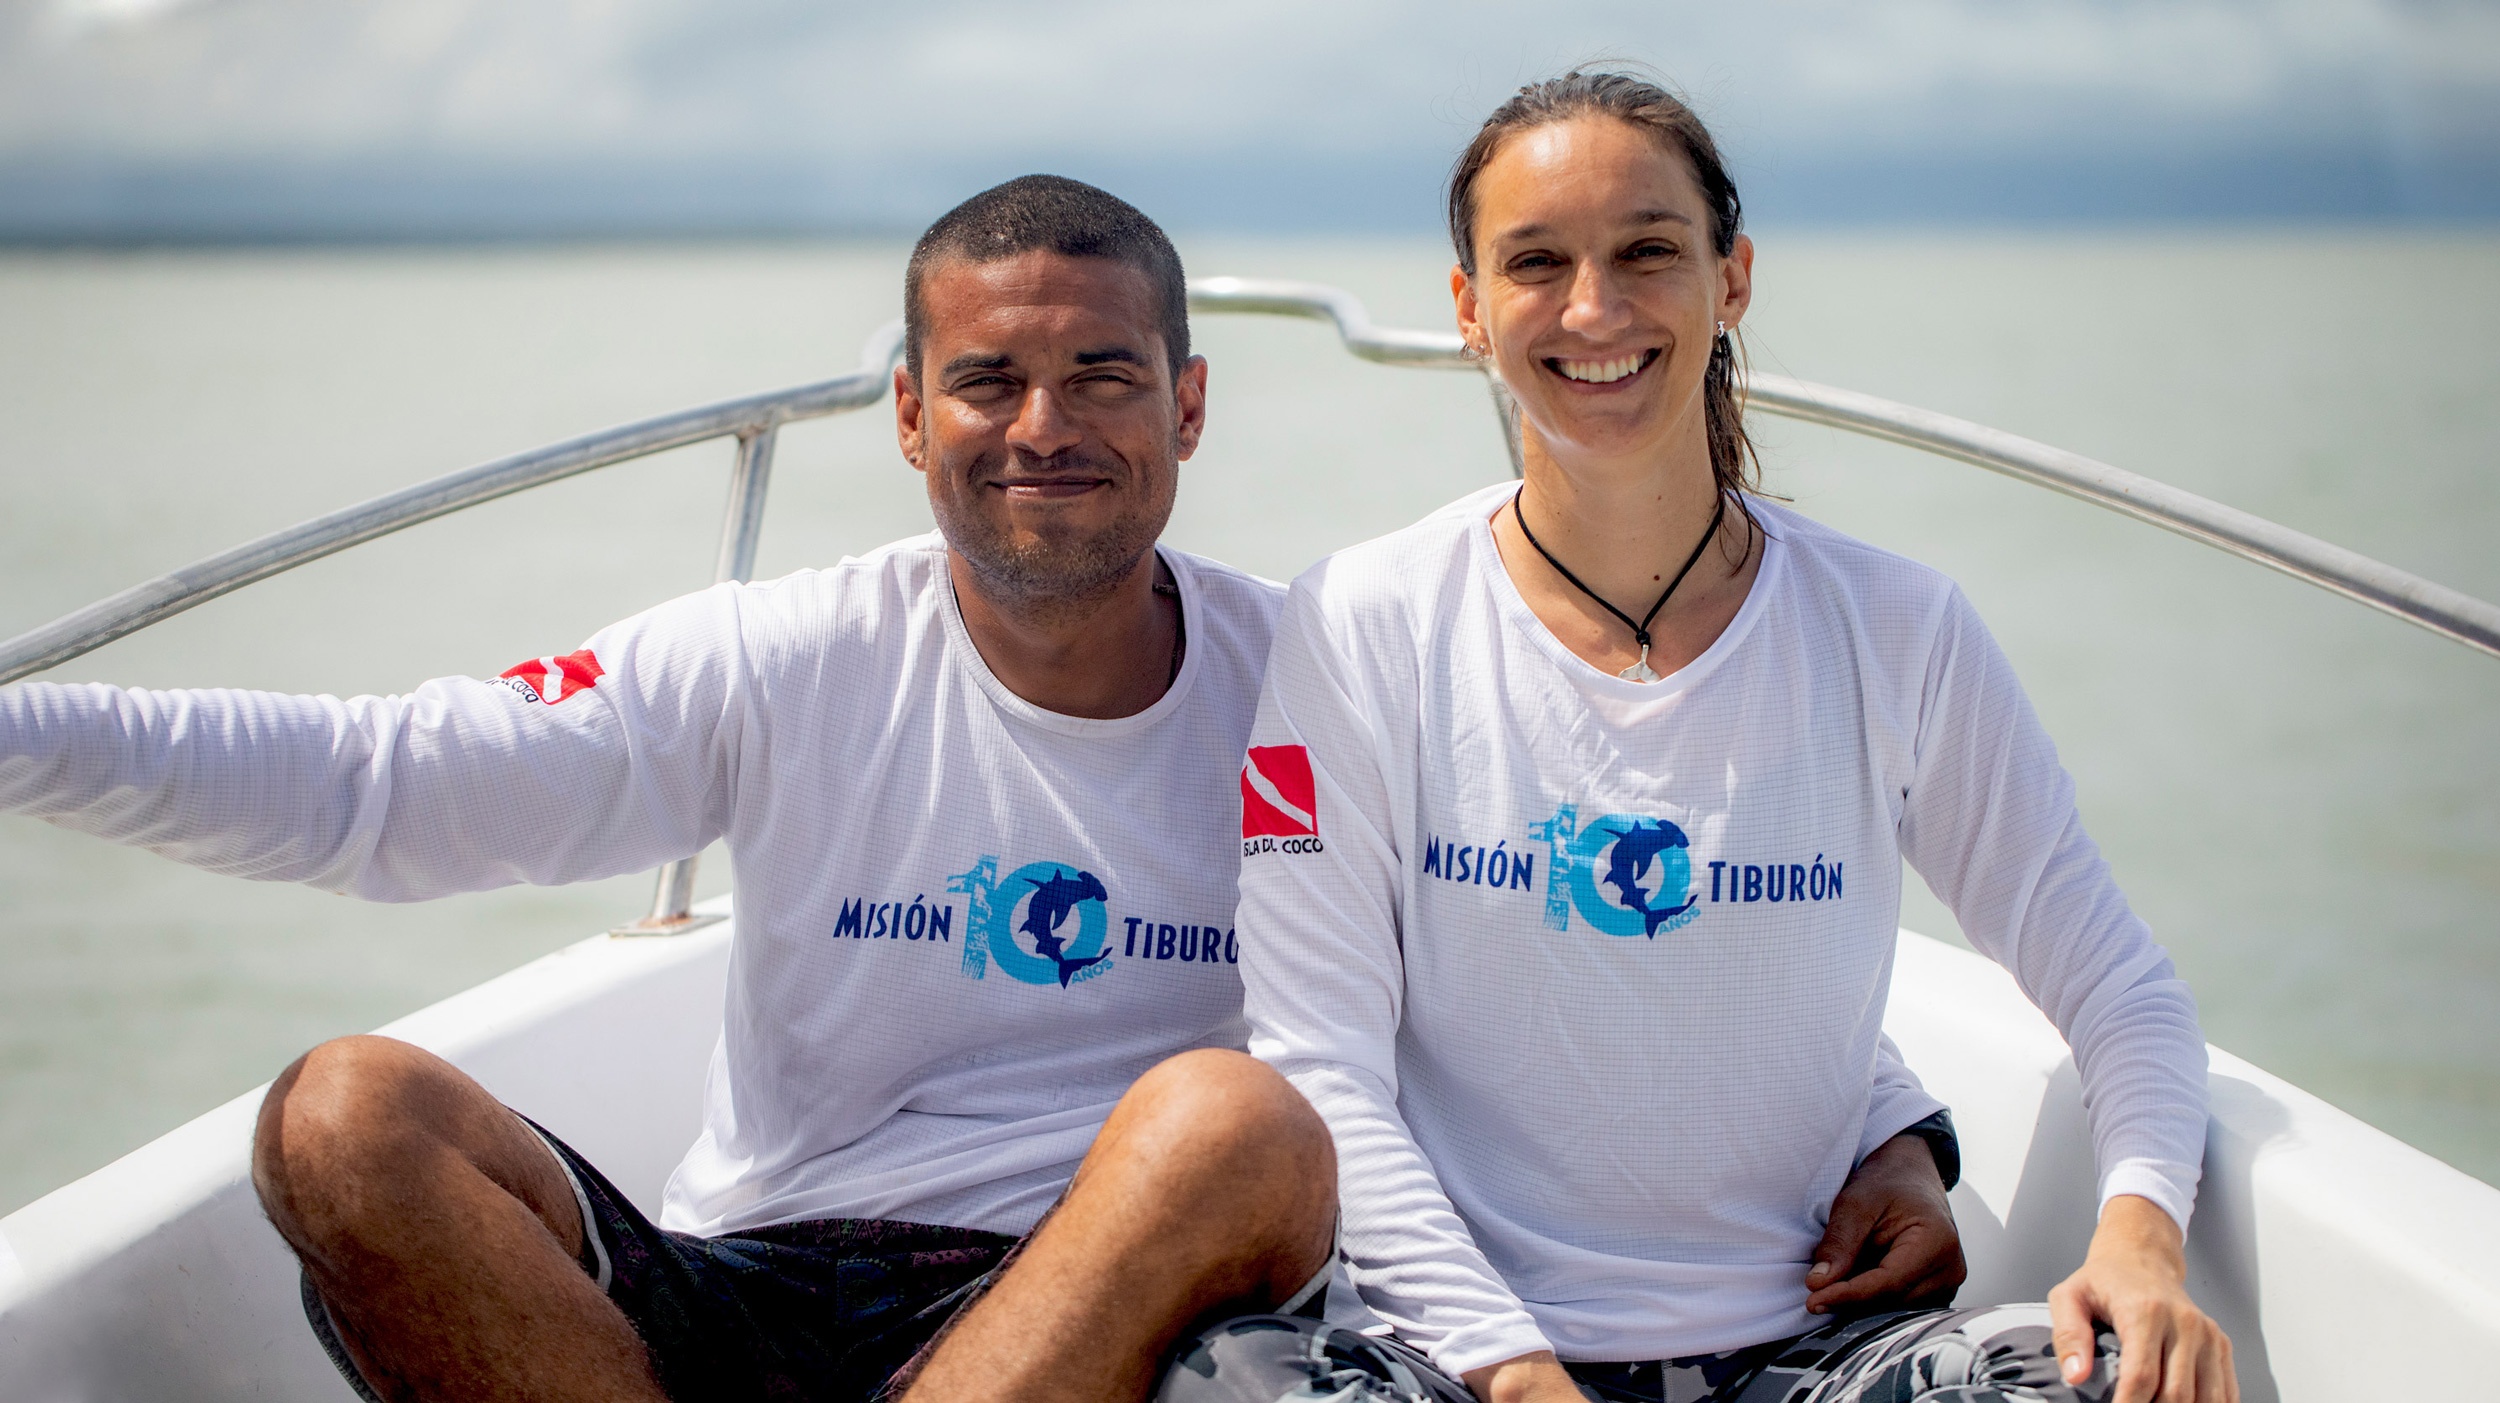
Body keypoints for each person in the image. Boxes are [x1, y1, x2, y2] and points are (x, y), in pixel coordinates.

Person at [2, 174, 1961, 1403]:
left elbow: (1592, 903)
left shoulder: (1329, 675)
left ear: (1188, 406)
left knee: (1227, 1117)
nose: (1044, 429)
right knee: (347, 1115)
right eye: (989, 383)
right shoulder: (784, 655)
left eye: (1103, 376)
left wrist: (1889, 1123)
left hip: (1128, 1307)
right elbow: (376, 784)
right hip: (755, 1281)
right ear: (908, 414)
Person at [1201, 72, 2237, 1403]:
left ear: (1731, 279)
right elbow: (1320, 1064)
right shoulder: (1359, 623)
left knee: (2109, 1378)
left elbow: (2122, 988)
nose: (1595, 310)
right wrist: (1515, 1376)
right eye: (1537, 263)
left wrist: (2140, 1238)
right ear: (1468, 308)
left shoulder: (1897, 627)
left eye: (1647, 251)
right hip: (1456, 1362)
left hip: (1808, 1355)